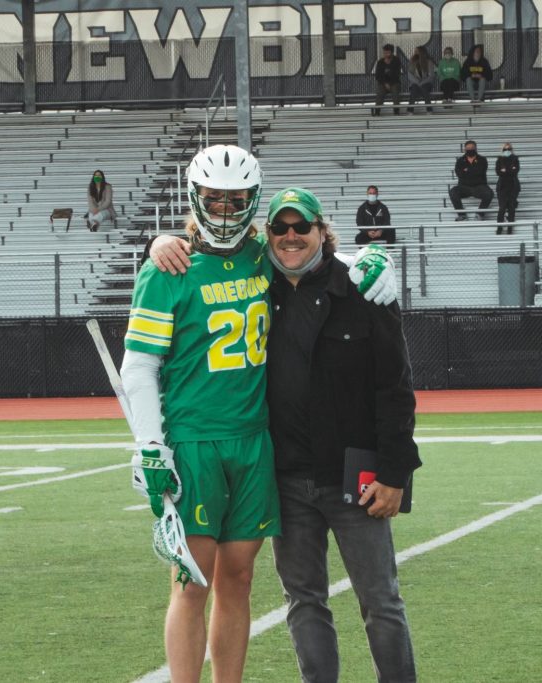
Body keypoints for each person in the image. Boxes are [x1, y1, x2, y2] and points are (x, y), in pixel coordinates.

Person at [120, 145, 396, 683]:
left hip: (253, 442)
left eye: (237, 200)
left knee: (238, 580)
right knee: (191, 583)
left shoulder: (259, 256)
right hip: (195, 441)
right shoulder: (167, 269)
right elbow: (139, 367)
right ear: (196, 198)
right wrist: (150, 444)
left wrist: (373, 257)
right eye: (214, 199)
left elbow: (315, 256)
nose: (225, 211)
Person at [264, 187, 420, 683]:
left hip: (356, 478)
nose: (290, 237)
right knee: (303, 602)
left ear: (321, 231)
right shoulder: (253, 287)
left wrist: (395, 473)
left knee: (380, 601)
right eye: (279, 228)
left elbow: (395, 386)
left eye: (301, 226)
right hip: (285, 479)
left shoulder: (364, 287)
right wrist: (161, 244)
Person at [449, 140, 493, 221]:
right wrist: (472, 171)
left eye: (472, 148)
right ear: (464, 149)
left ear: (476, 148)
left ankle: (480, 214)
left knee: (489, 193)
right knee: (453, 192)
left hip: (479, 186)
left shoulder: (482, 159)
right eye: (468, 148)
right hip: (464, 187)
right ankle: (462, 215)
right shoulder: (460, 160)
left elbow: (480, 172)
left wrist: (467, 171)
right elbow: (459, 174)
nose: (470, 150)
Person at [494, 142, 521, 233]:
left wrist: (505, 171)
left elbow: (515, 171)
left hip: (513, 186)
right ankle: (499, 228)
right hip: (502, 187)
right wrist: (510, 170)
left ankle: (510, 228)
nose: (507, 151)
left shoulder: (515, 159)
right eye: (505, 149)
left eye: (509, 149)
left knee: (511, 208)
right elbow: (498, 172)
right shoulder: (499, 159)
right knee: (502, 208)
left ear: (512, 150)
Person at [372, 44, 402, 117]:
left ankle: (396, 111)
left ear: (391, 52)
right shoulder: (380, 62)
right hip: (383, 83)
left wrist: (390, 83)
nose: (385, 54)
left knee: (395, 92)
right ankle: (377, 112)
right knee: (380, 93)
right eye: (384, 52)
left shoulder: (396, 60)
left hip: (394, 82)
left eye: (387, 52)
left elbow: (397, 74)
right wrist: (385, 83)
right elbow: (378, 76)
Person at [407, 46, 434, 113]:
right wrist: (417, 82)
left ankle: (429, 110)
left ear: (422, 52)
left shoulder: (429, 62)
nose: (415, 53)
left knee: (424, 88)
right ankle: (410, 110)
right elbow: (409, 75)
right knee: (413, 90)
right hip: (415, 83)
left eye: (417, 51)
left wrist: (422, 82)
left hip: (426, 83)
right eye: (415, 51)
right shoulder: (412, 62)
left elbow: (431, 76)